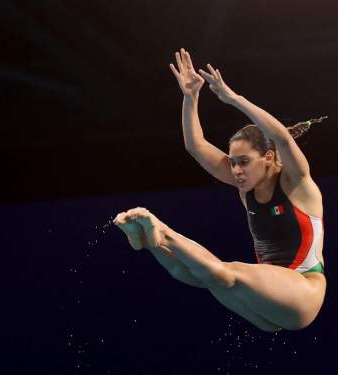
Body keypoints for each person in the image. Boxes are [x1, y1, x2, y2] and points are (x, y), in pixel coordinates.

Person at [114, 49, 326, 332]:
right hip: (267, 304)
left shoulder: (297, 183)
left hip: (303, 292)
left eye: (244, 162)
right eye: (233, 163)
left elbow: (281, 137)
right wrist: (191, 98)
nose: (236, 170)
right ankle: (150, 240)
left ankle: (162, 230)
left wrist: (234, 99)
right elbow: (196, 146)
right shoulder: (246, 184)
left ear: (270, 158)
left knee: (227, 272)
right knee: (200, 276)